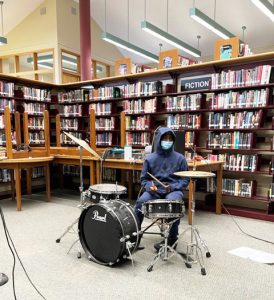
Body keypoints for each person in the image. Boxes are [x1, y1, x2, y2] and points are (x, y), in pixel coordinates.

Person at [135, 127, 189, 250]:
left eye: (170, 139)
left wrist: (173, 187)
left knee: (175, 205)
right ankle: (134, 236)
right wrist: (149, 186)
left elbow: (185, 180)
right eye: (165, 138)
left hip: (173, 190)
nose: (168, 141)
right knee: (140, 203)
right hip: (154, 191)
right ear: (159, 140)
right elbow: (144, 179)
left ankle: (171, 240)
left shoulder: (180, 158)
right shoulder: (149, 158)